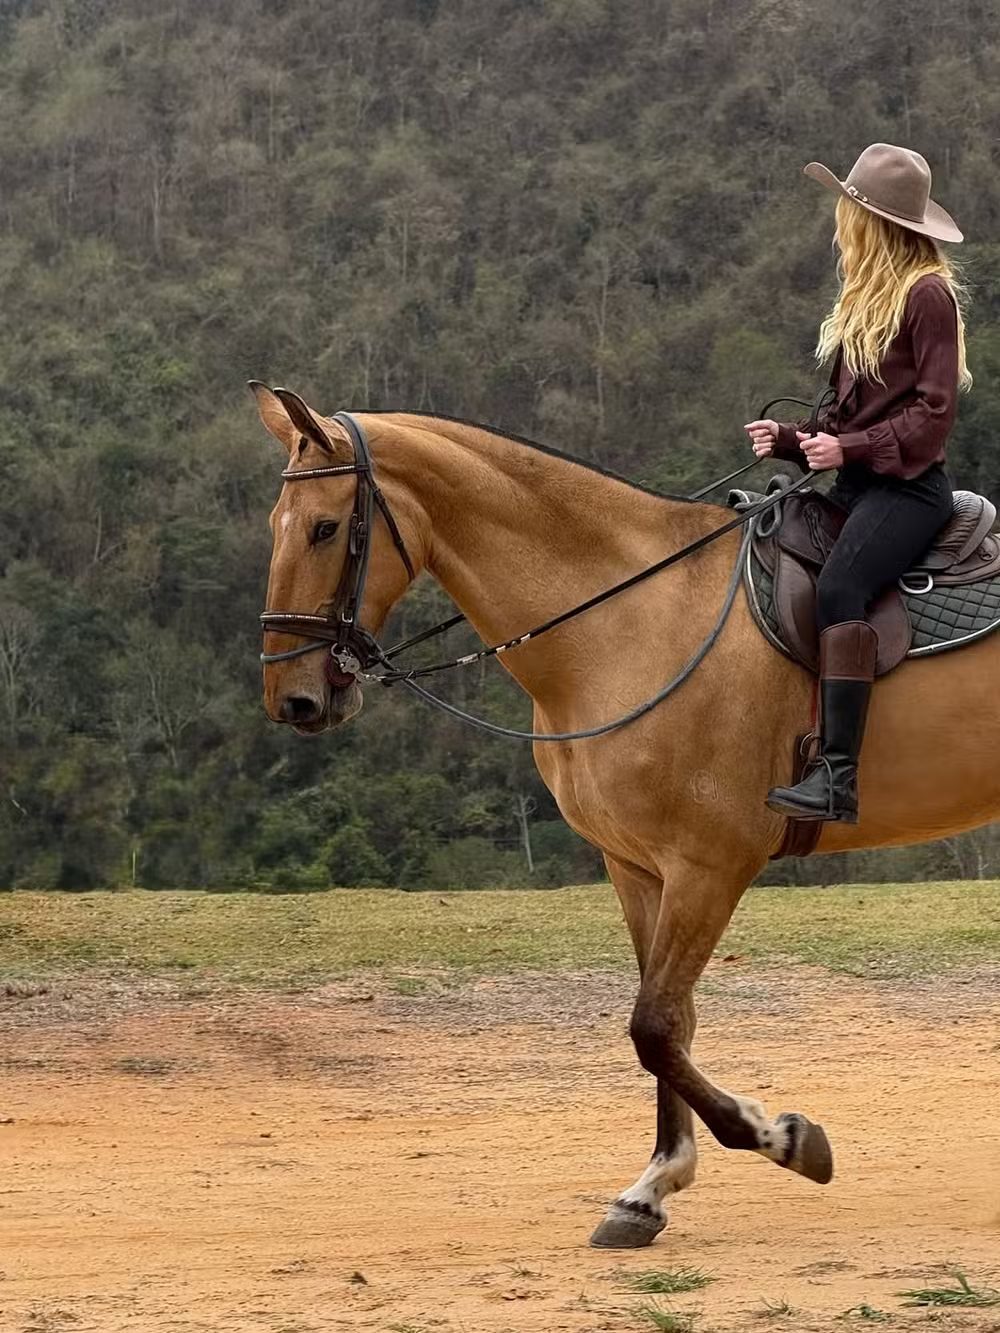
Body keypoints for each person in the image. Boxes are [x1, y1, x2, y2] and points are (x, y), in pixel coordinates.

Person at [744, 142, 971, 823]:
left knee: (841, 586)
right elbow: (850, 411)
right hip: (859, 481)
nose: (840, 219)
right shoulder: (864, 296)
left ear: (873, 221)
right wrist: (792, 440)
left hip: (906, 491)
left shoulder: (928, 297)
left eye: (850, 208)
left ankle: (837, 777)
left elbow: (932, 417)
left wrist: (846, 448)